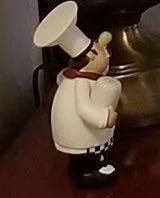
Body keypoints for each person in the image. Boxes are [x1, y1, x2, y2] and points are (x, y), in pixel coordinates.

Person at [52, 32, 123, 188]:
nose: (107, 56)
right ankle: (91, 171)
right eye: (100, 52)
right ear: (90, 59)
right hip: (83, 135)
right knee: (91, 153)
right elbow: (83, 108)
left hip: (72, 135)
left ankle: (77, 167)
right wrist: (105, 117)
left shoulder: (70, 78)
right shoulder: (81, 83)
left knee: (81, 156)